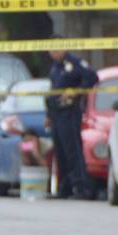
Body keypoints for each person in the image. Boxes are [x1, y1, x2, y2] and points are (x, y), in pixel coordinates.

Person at [45, 46, 99, 200]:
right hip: (56, 112)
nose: (53, 52)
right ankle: (65, 187)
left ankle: (81, 187)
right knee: (60, 151)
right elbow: (53, 90)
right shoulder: (55, 66)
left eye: (56, 49)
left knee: (72, 150)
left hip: (69, 112)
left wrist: (77, 91)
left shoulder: (74, 62)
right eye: (51, 49)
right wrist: (48, 114)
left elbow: (92, 77)